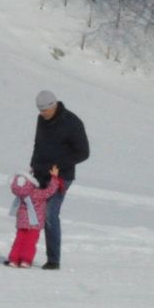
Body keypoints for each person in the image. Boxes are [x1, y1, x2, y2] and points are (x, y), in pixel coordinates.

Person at [29, 90, 89, 270]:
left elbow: (83, 152)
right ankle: (24, 252)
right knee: (30, 212)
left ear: (53, 105)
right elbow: (38, 144)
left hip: (61, 176)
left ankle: (53, 260)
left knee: (49, 214)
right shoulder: (41, 120)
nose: (42, 114)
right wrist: (33, 164)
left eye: (45, 110)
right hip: (40, 173)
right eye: (39, 111)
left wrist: (59, 165)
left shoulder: (72, 122)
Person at [7, 166, 61, 267]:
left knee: (19, 240)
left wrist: (29, 171)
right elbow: (50, 191)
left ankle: (14, 259)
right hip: (34, 222)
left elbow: (22, 182)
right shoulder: (36, 193)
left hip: (22, 222)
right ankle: (25, 260)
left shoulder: (20, 193)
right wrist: (54, 178)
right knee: (30, 242)